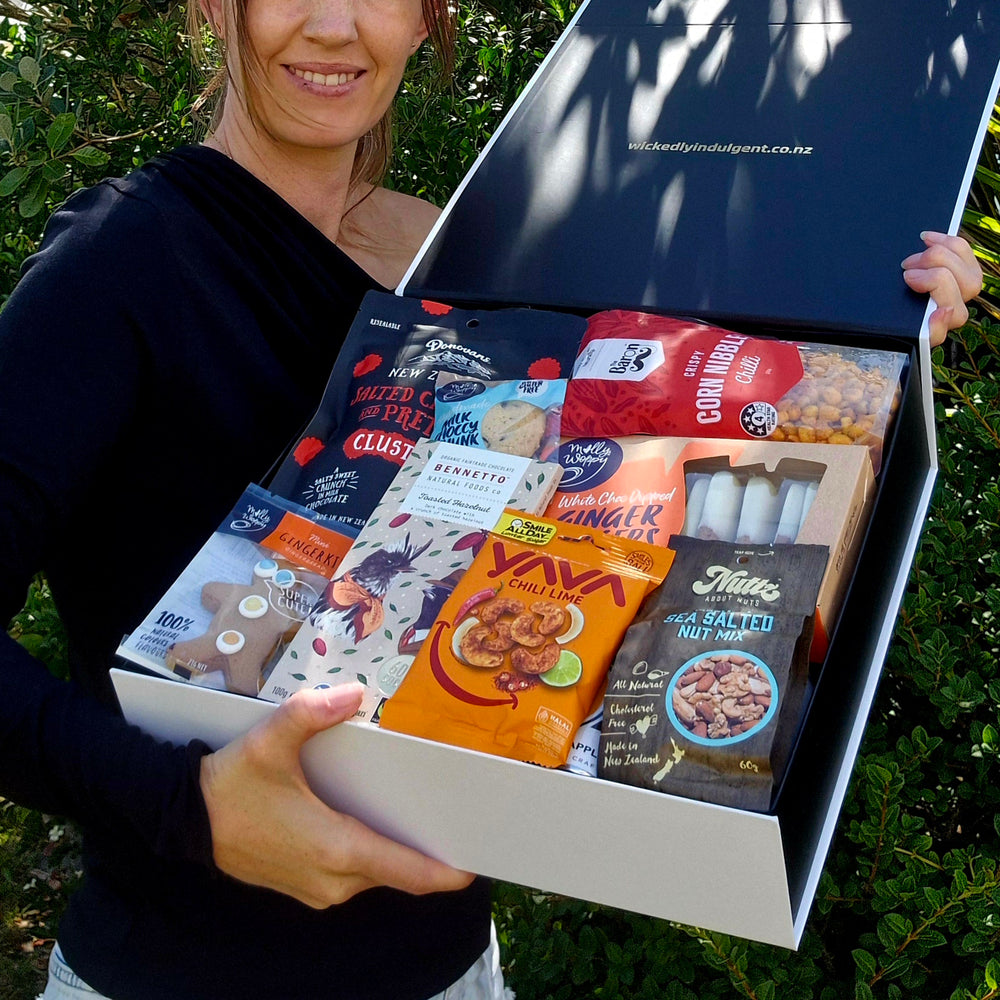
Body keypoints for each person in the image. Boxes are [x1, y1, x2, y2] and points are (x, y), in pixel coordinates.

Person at [0, 0, 983, 998]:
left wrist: (870, 327)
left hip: (453, 969)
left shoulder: (456, 263)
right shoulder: (119, 262)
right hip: (170, 972)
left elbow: (639, 483)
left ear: (427, 20)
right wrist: (188, 807)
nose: (335, 25)